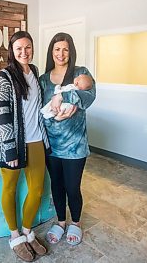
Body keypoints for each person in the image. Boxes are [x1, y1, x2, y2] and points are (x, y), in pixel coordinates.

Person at [0, 30, 50, 262]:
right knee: (10, 188)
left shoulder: (34, 72)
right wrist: (9, 148)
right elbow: (2, 114)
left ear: (32, 48)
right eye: (19, 49)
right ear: (12, 51)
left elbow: (37, 106)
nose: (24, 52)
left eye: (27, 47)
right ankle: (15, 236)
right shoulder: (4, 76)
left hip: (36, 140)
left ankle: (27, 231)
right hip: (13, 143)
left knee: (37, 190)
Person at [39, 32, 96, 246]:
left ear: (70, 51)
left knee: (73, 187)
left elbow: (89, 96)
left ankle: (76, 222)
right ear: (51, 52)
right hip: (51, 145)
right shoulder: (44, 79)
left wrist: (63, 96)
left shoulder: (81, 73)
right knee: (57, 186)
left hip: (75, 145)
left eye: (65, 49)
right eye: (57, 49)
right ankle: (61, 222)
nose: (61, 53)